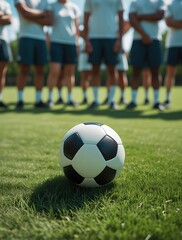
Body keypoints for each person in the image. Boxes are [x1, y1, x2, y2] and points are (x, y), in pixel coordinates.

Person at [83, 0, 124, 109]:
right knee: (95, 70)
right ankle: (95, 100)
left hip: (111, 39)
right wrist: (86, 41)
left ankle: (111, 100)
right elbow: (85, 18)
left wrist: (119, 40)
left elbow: (121, 19)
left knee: (112, 70)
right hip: (94, 38)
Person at [127, 0, 166, 110]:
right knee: (136, 71)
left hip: (155, 39)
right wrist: (144, 35)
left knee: (155, 71)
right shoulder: (134, 2)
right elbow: (132, 19)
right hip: (137, 40)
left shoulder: (159, 1)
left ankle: (157, 101)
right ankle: (133, 101)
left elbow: (159, 15)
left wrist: (141, 16)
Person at [14, 0, 53, 109]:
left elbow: (50, 20)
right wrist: (42, 14)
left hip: (41, 39)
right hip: (25, 37)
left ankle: (38, 99)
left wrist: (31, 16)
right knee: (24, 69)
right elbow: (24, 13)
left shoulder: (45, 1)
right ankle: (20, 100)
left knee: (40, 69)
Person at [47, 0, 80, 108]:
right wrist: (48, 41)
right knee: (54, 71)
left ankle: (70, 98)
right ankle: (50, 98)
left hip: (70, 43)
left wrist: (77, 44)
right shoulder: (51, 6)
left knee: (69, 73)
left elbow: (76, 28)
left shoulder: (74, 7)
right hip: (56, 42)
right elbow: (48, 25)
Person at [163, 0, 182, 108]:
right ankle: (167, 99)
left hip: (173, 44)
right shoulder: (169, 5)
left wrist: (177, 23)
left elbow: (172, 22)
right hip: (173, 44)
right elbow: (169, 22)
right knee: (170, 73)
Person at [0, 1, 12, 108]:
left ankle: (0, 98)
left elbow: (9, 20)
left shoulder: (4, 3)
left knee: (2, 71)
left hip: (2, 39)